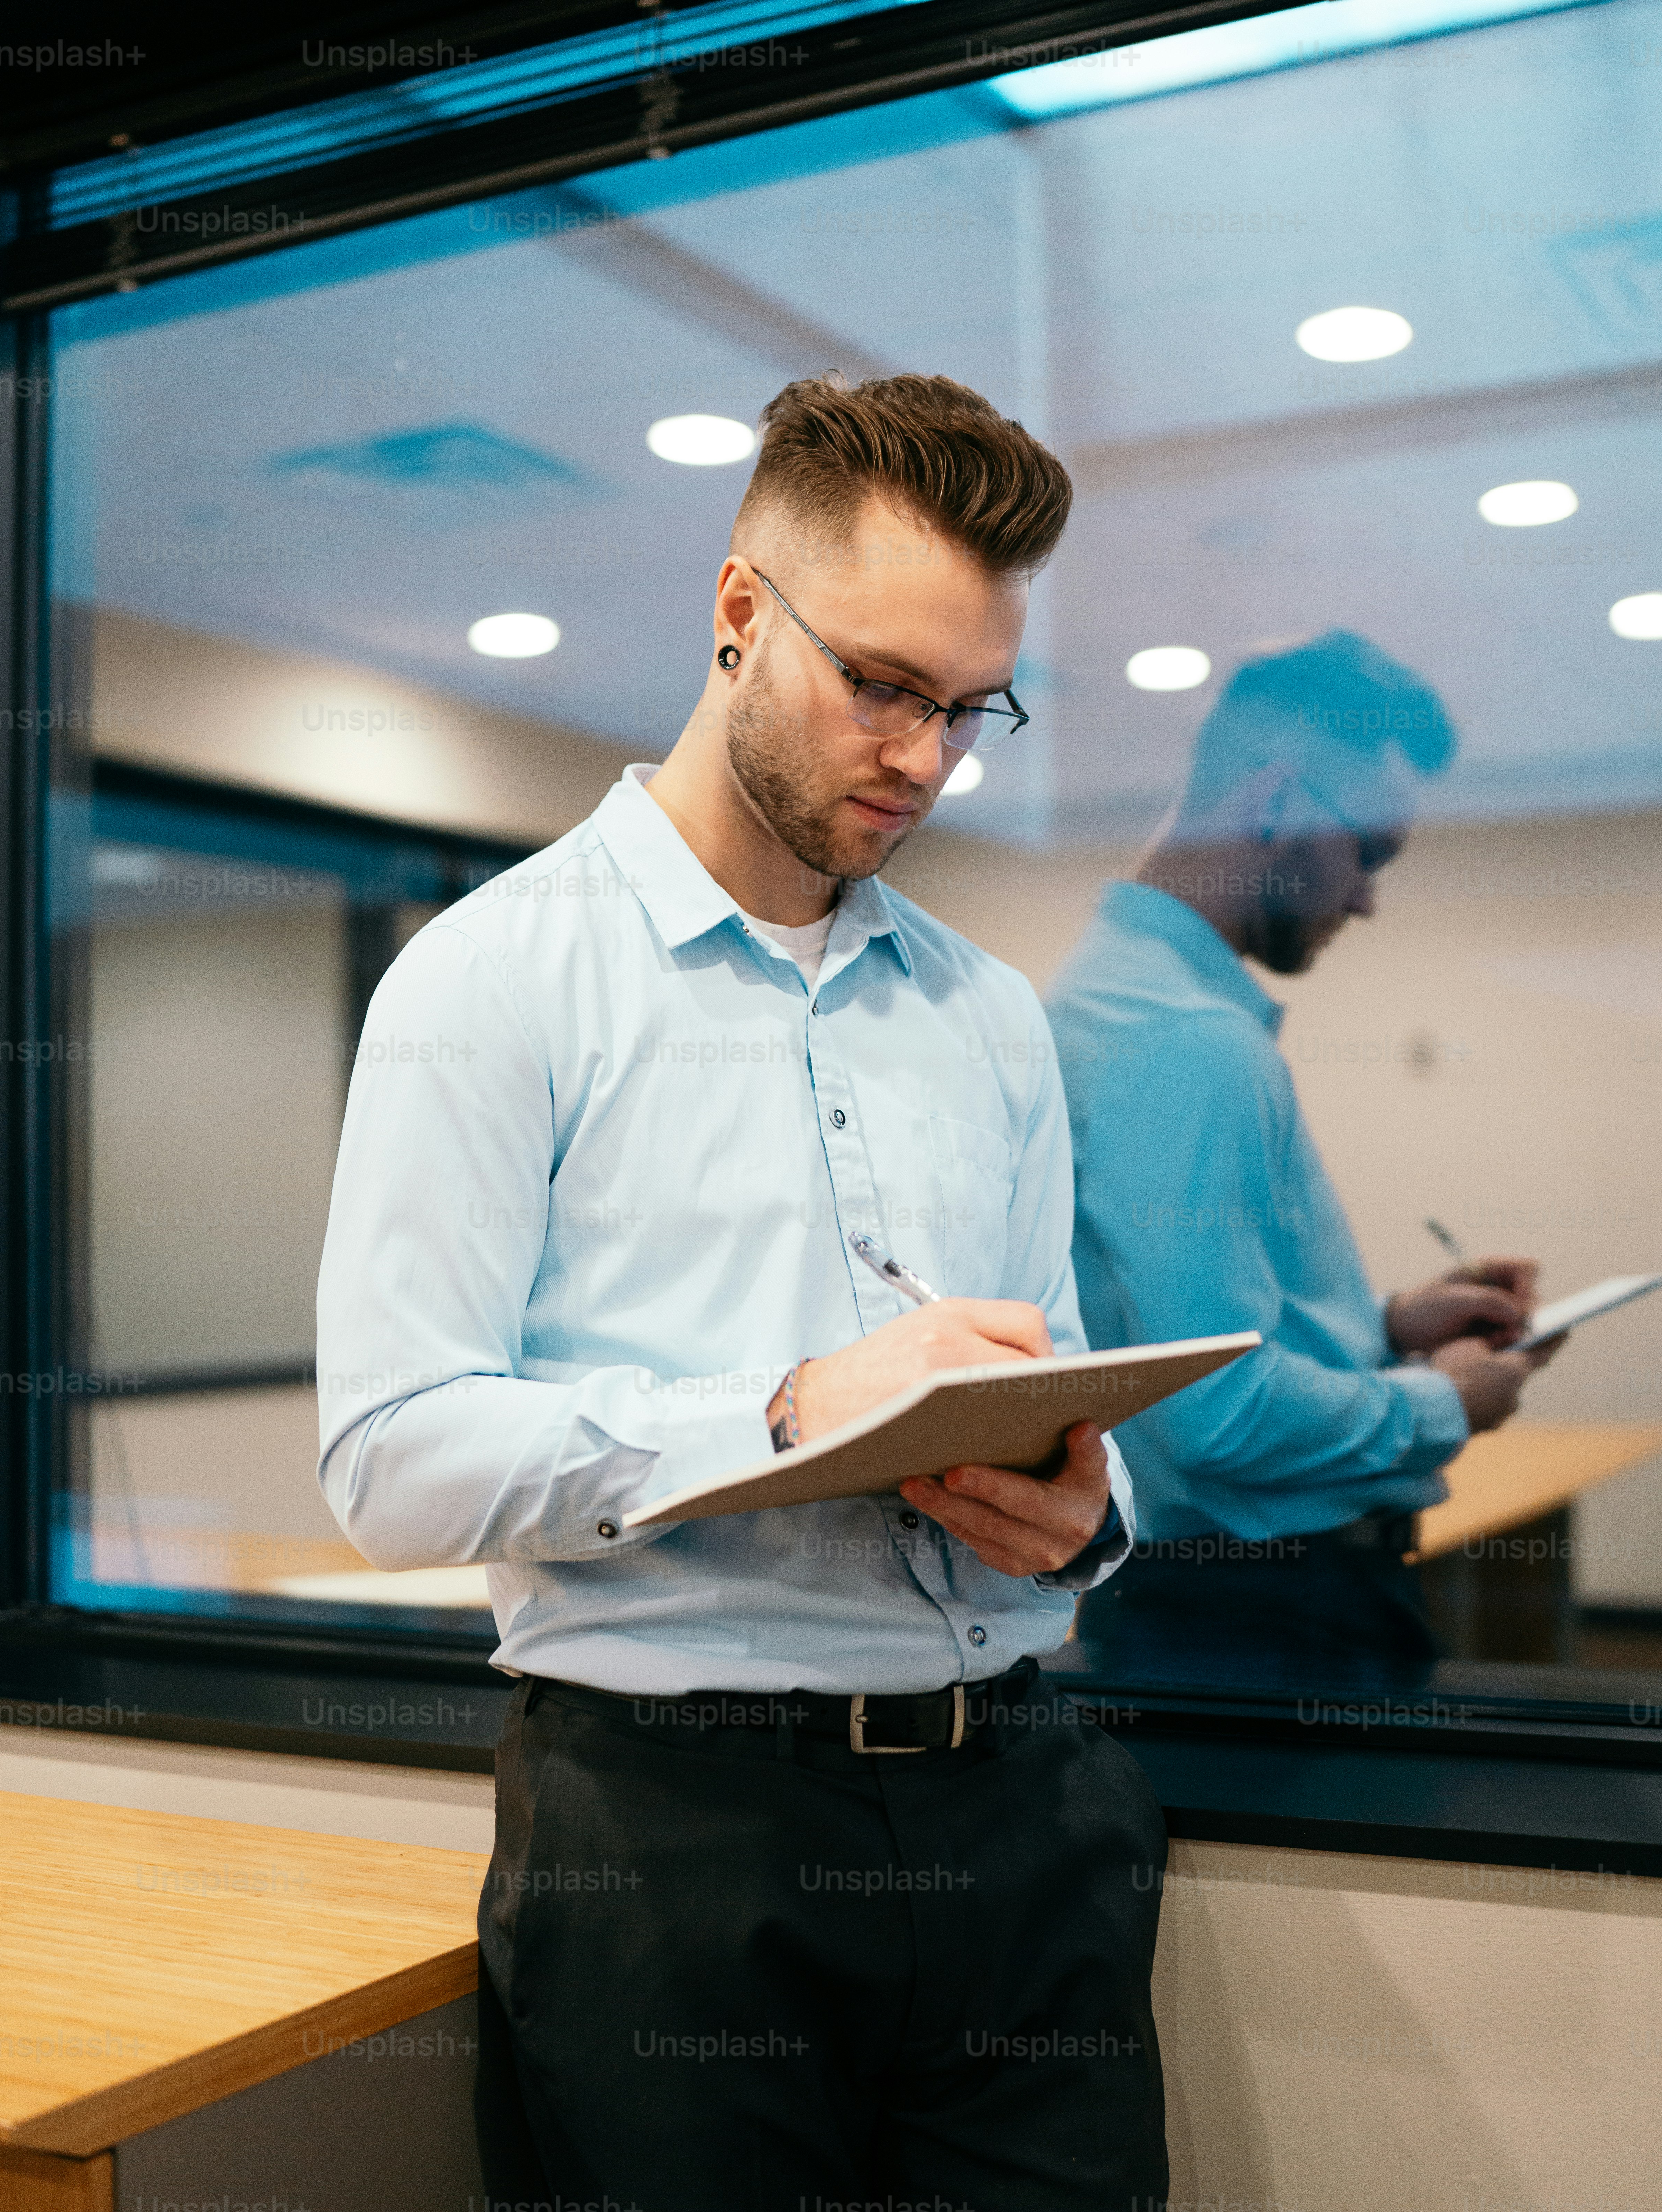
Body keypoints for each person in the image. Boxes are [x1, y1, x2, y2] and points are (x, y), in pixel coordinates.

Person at [315, 374, 1169, 2211]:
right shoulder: (489, 984)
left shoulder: (991, 1016)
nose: (922, 755)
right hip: (676, 1849)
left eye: (964, 707)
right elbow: (388, 1458)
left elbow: (1048, 1371)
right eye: (878, 681)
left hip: (1028, 1805)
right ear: (733, 615)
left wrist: (1083, 1510)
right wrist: (791, 1407)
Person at [1048, 630, 1560, 1676]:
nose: (1366, 897)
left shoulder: (1120, 998)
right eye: (1367, 853)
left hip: (1208, 1602)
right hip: (1265, 1611)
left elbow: (1166, 1333)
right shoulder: (1187, 1038)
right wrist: (1444, 1400)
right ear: (1277, 806)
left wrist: (1383, 1325)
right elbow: (1214, 1413)